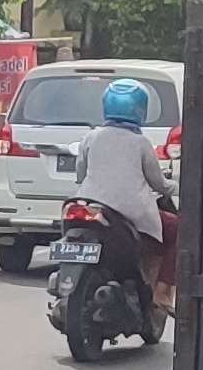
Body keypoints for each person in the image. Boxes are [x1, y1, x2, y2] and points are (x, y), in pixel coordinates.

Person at [70, 75, 174, 302]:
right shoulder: (141, 143)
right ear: (140, 109)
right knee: (175, 229)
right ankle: (162, 292)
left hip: (89, 206)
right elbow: (157, 183)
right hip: (130, 215)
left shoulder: (91, 137)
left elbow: (80, 174)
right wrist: (172, 186)